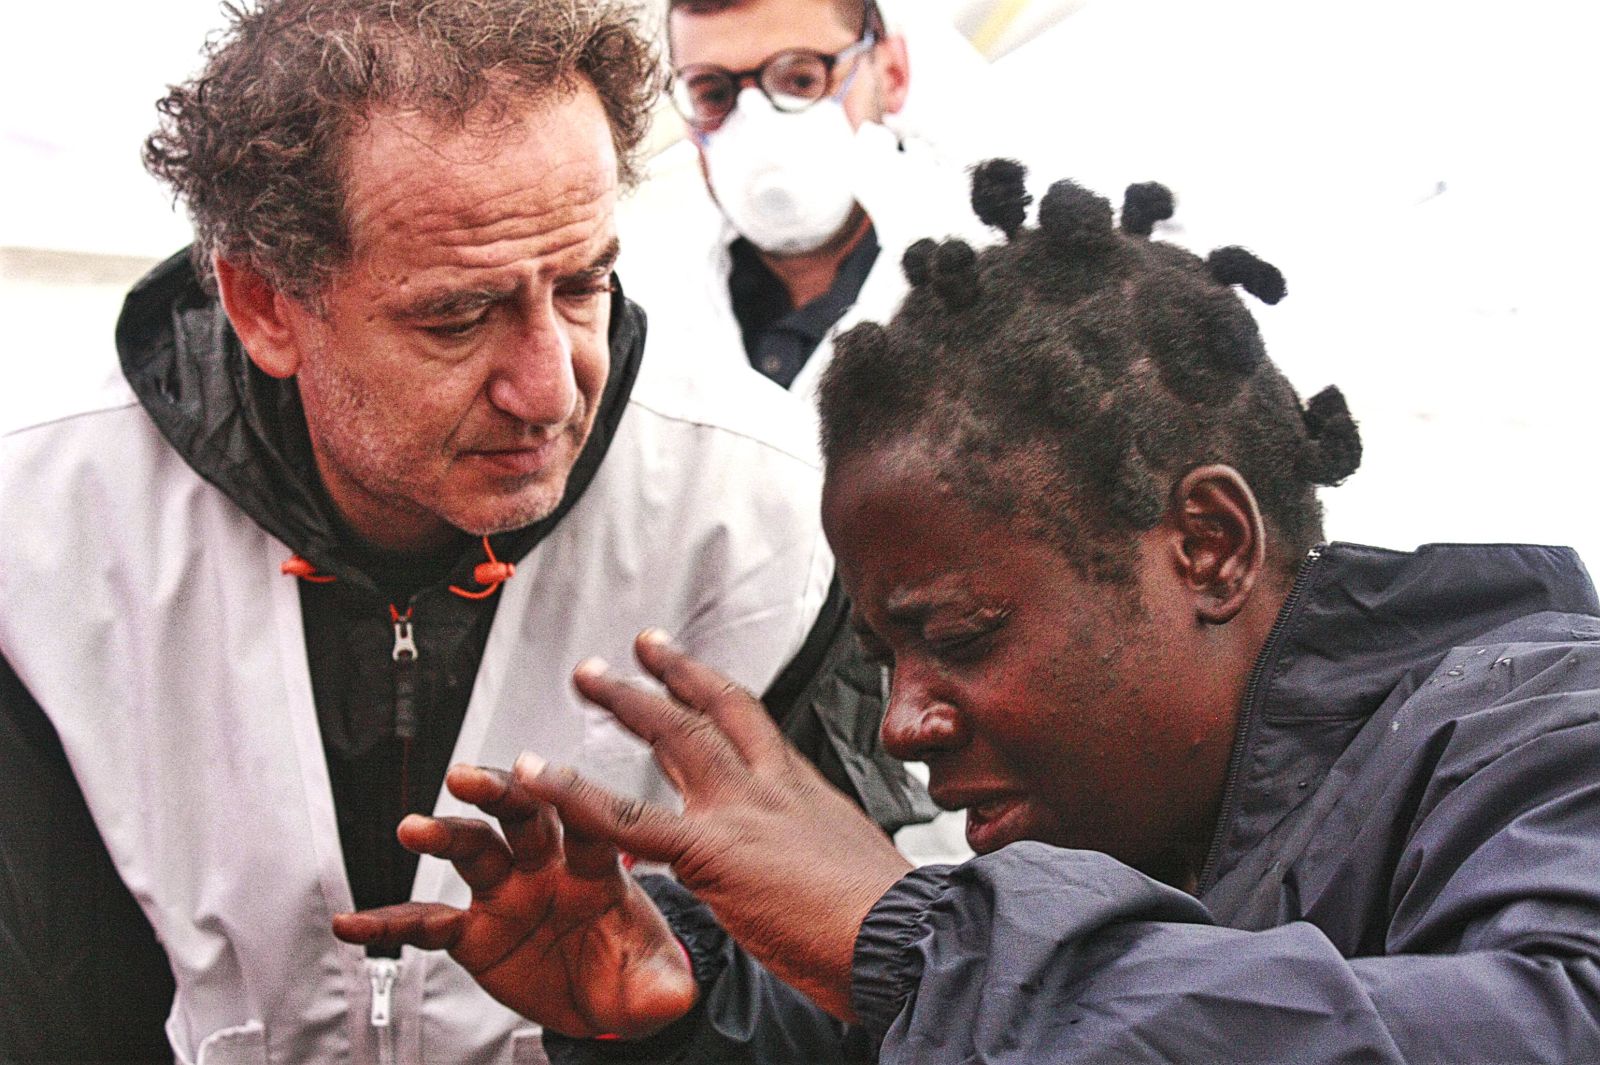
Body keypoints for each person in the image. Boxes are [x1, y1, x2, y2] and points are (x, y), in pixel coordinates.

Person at [333, 165, 1600, 1063]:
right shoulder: (1121, 839)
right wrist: (680, 1013)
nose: (903, 724)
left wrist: (910, 941)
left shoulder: (1538, 732)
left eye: (960, 638)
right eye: (885, 658)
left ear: (1207, 547)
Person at [0, 1, 935, 1062]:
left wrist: (659, 1025)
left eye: (582, 285)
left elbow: (857, 1008)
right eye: (457, 316)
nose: (550, 389)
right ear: (263, 306)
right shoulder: (41, 528)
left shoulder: (766, 514)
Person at [618, 0, 987, 406]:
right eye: (713, 93)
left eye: (801, 79)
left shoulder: (994, 276)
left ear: (891, 73)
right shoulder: (645, 306)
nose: (756, 126)